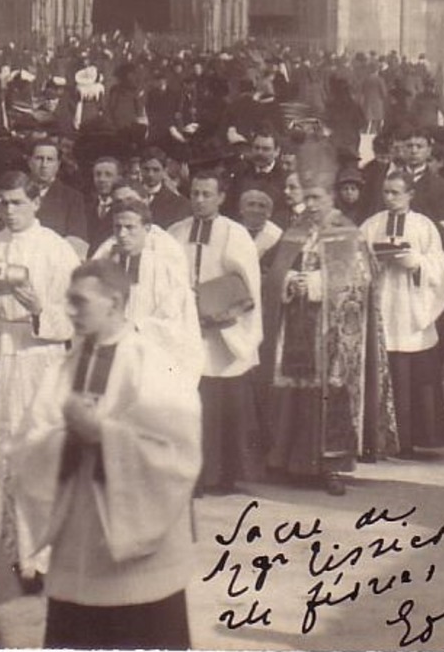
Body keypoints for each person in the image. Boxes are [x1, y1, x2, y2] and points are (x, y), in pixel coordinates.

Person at [11, 259, 201, 650]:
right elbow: (29, 443)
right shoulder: (64, 367)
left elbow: (178, 453)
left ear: (114, 302)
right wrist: (63, 439)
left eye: (80, 301)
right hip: (77, 542)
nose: (70, 310)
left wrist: (103, 435)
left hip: (136, 559)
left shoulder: (153, 364)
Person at [0, 171, 80, 582]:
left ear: (36, 203)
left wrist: (38, 309)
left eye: (17, 203)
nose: (9, 211)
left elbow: (77, 316)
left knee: (32, 456)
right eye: (3, 204)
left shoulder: (57, 251)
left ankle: (36, 559)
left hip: (34, 361)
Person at [262, 157, 391, 495]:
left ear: (332, 196)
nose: (310, 205)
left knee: (332, 393)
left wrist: (318, 284)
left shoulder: (347, 232)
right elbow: (272, 271)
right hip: (297, 326)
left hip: (333, 331)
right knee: (296, 390)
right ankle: (293, 461)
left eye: (317, 197)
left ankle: (332, 467)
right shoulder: (296, 230)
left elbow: (363, 278)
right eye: (308, 198)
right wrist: (290, 281)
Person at [168, 170, 263, 495]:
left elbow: (248, 284)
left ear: (222, 197)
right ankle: (194, 475)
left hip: (224, 329)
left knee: (223, 400)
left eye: (207, 194)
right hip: (186, 325)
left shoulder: (234, 234)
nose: (199, 200)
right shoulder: (176, 232)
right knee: (194, 400)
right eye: (194, 193)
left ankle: (225, 474)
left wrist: (218, 307)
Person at [360, 169, 444, 457]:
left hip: (412, 306)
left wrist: (416, 263)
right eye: (386, 192)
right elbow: (355, 259)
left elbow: (440, 264)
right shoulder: (371, 225)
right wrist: (373, 263)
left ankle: (412, 441)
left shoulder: (424, 226)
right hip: (383, 302)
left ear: (411, 194)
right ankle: (380, 438)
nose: (389, 198)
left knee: (413, 370)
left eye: (396, 192)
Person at [91, 195, 201, 388]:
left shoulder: (165, 271)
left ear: (147, 229)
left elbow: (176, 324)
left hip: (152, 363)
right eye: (118, 227)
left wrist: (136, 326)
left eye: (130, 227)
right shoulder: (103, 266)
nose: (122, 234)